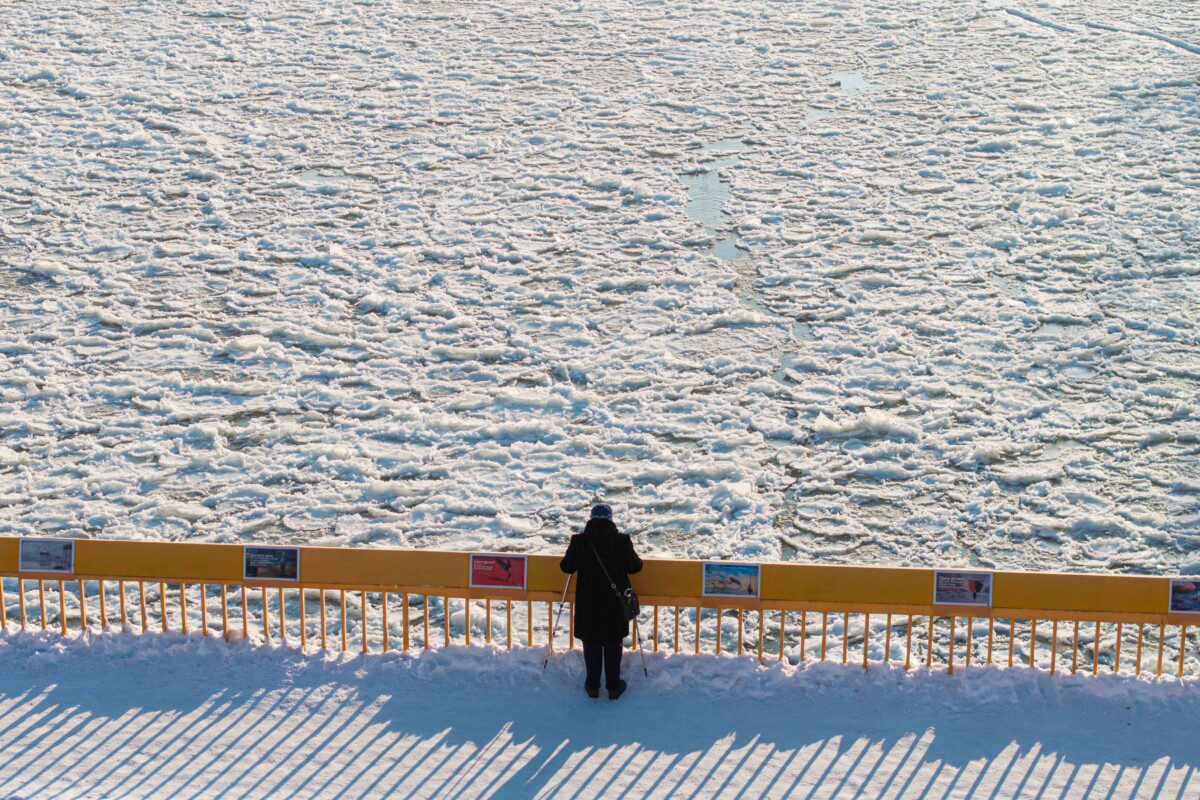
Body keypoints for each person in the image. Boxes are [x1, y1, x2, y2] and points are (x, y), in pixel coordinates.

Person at [559, 504, 643, 700]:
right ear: (611, 519)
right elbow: (635, 567)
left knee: (591, 644)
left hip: (589, 604)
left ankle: (592, 686)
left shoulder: (579, 541)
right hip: (614, 604)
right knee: (614, 644)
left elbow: (566, 567)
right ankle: (614, 687)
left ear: (591, 518)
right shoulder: (622, 540)